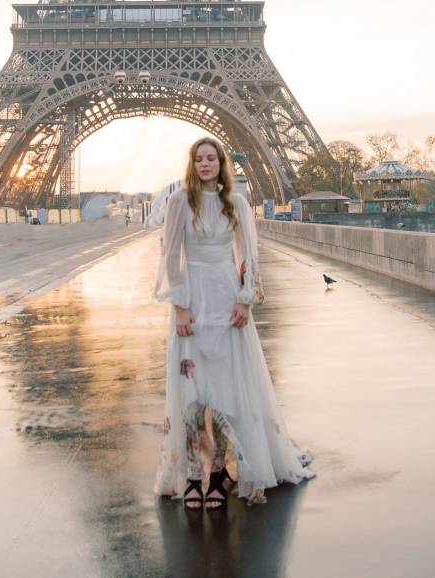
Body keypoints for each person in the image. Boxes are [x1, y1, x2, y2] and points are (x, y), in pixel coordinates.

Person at [153, 137, 314, 510]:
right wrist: (179, 306)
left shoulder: (236, 203)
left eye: (211, 158)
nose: (205, 164)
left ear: (221, 163)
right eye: (199, 159)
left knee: (225, 390)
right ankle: (194, 474)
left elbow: (249, 255)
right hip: (192, 299)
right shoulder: (179, 202)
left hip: (226, 298)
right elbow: (171, 255)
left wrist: (245, 301)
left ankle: (220, 473)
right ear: (192, 165)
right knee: (192, 394)